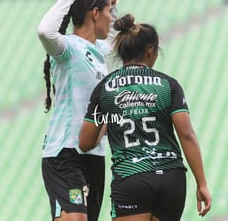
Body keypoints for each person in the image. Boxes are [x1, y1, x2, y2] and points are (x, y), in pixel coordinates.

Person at [79, 14, 212, 221]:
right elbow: (186, 134)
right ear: (150, 51)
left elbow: (85, 142)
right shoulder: (169, 85)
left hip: (132, 176)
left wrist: (110, 121)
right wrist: (201, 183)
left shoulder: (105, 88)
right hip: (171, 177)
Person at [37, 0, 118, 221]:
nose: (111, 18)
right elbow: (44, 32)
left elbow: (118, 33)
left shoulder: (99, 50)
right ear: (95, 14)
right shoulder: (68, 48)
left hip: (94, 155)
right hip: (65, 153)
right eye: (107, 12)